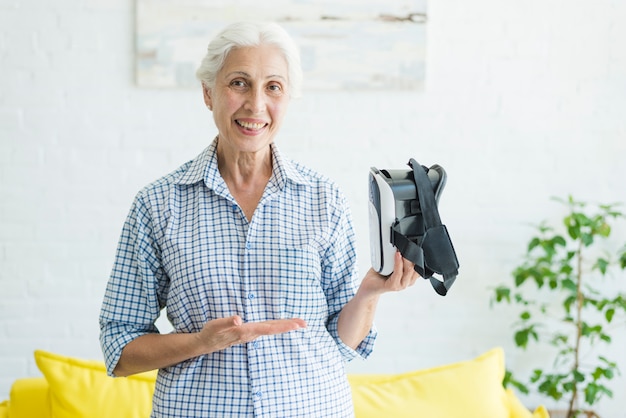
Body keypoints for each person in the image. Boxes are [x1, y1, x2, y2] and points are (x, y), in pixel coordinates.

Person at [99, 21, 419, 417]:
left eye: (273, 87)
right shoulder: (158, 204)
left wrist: (369, 293)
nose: (255, 105)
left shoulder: (324, 199)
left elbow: (340, 342)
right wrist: (202, 342)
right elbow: (120, 347)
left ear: (287, 99)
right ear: (207, 92)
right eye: (238, 83)